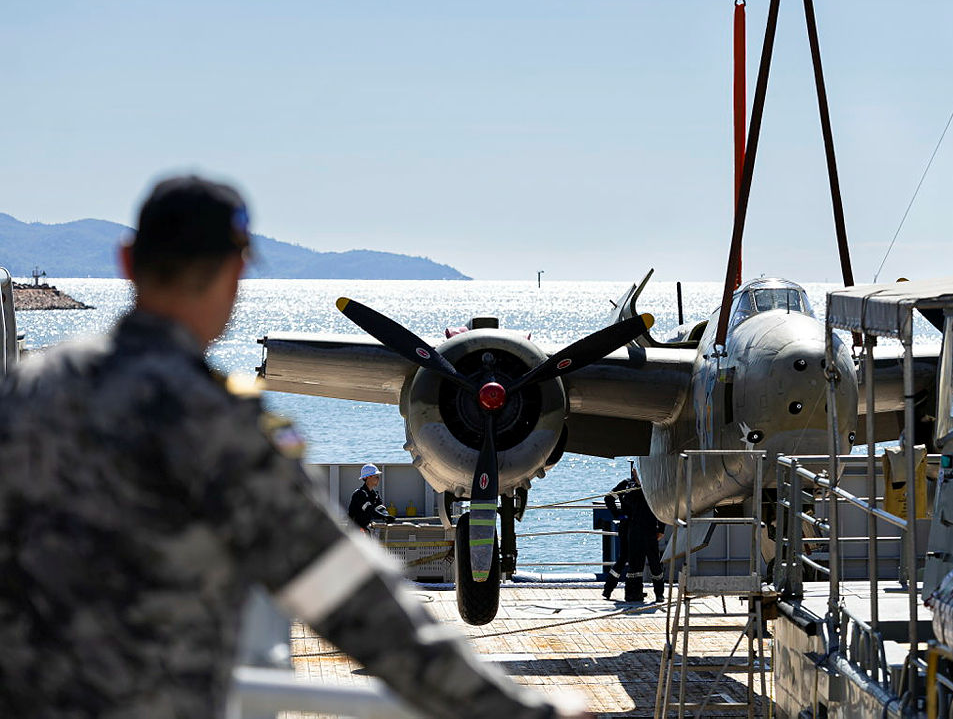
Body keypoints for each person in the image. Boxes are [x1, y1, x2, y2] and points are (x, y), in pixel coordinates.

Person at [0, 176, 580, 719]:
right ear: (237, 272)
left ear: (127, 261)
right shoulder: (214, 422)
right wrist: (512, 709)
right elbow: (342, 592)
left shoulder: (25, 391)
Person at [616, 467, 666, 603]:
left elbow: (661, 507)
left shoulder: (654, 486)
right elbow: (627, 501)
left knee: (655, 564)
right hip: (635, 530)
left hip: (650, 530)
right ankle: (633, 593)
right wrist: (637, 486)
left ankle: (659, 593)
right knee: (635, 565)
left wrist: (661, 529)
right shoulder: (631, 487)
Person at [601, 470, 634, 599]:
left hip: (634, 525)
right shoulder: (626, 485)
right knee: (625, 558)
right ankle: (609, 588)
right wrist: (618, 514)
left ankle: (631, 589)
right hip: (628, 525)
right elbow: (609, 497)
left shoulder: (631, 485)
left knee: (629, 559)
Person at [349, 462, 396, 533]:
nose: (378, 479)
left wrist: (386, 515)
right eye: (376, 476)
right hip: (354, 531)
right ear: (367, 477)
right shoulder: (359, 494)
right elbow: (370, 510)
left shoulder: (375, 495)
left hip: (363, 529)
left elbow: (380, 508)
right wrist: (383, 517)